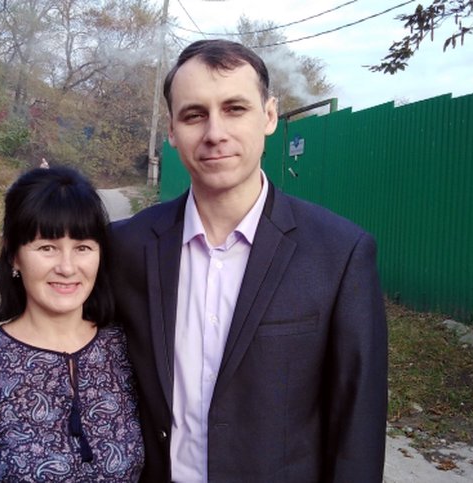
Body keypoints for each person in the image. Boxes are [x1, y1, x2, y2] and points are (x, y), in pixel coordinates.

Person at [109, 39, 388, 482]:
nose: (214, 132)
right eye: (194, 114)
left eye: (235, 108)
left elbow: (358, 424)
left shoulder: (339, 253)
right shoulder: (126, 247)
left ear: (270, 115)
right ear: (172, 130)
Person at [0, 166, 144, 482]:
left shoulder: (124, 348)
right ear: (14, 255)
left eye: (83, 247)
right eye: (46, 247)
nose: (67, 267)